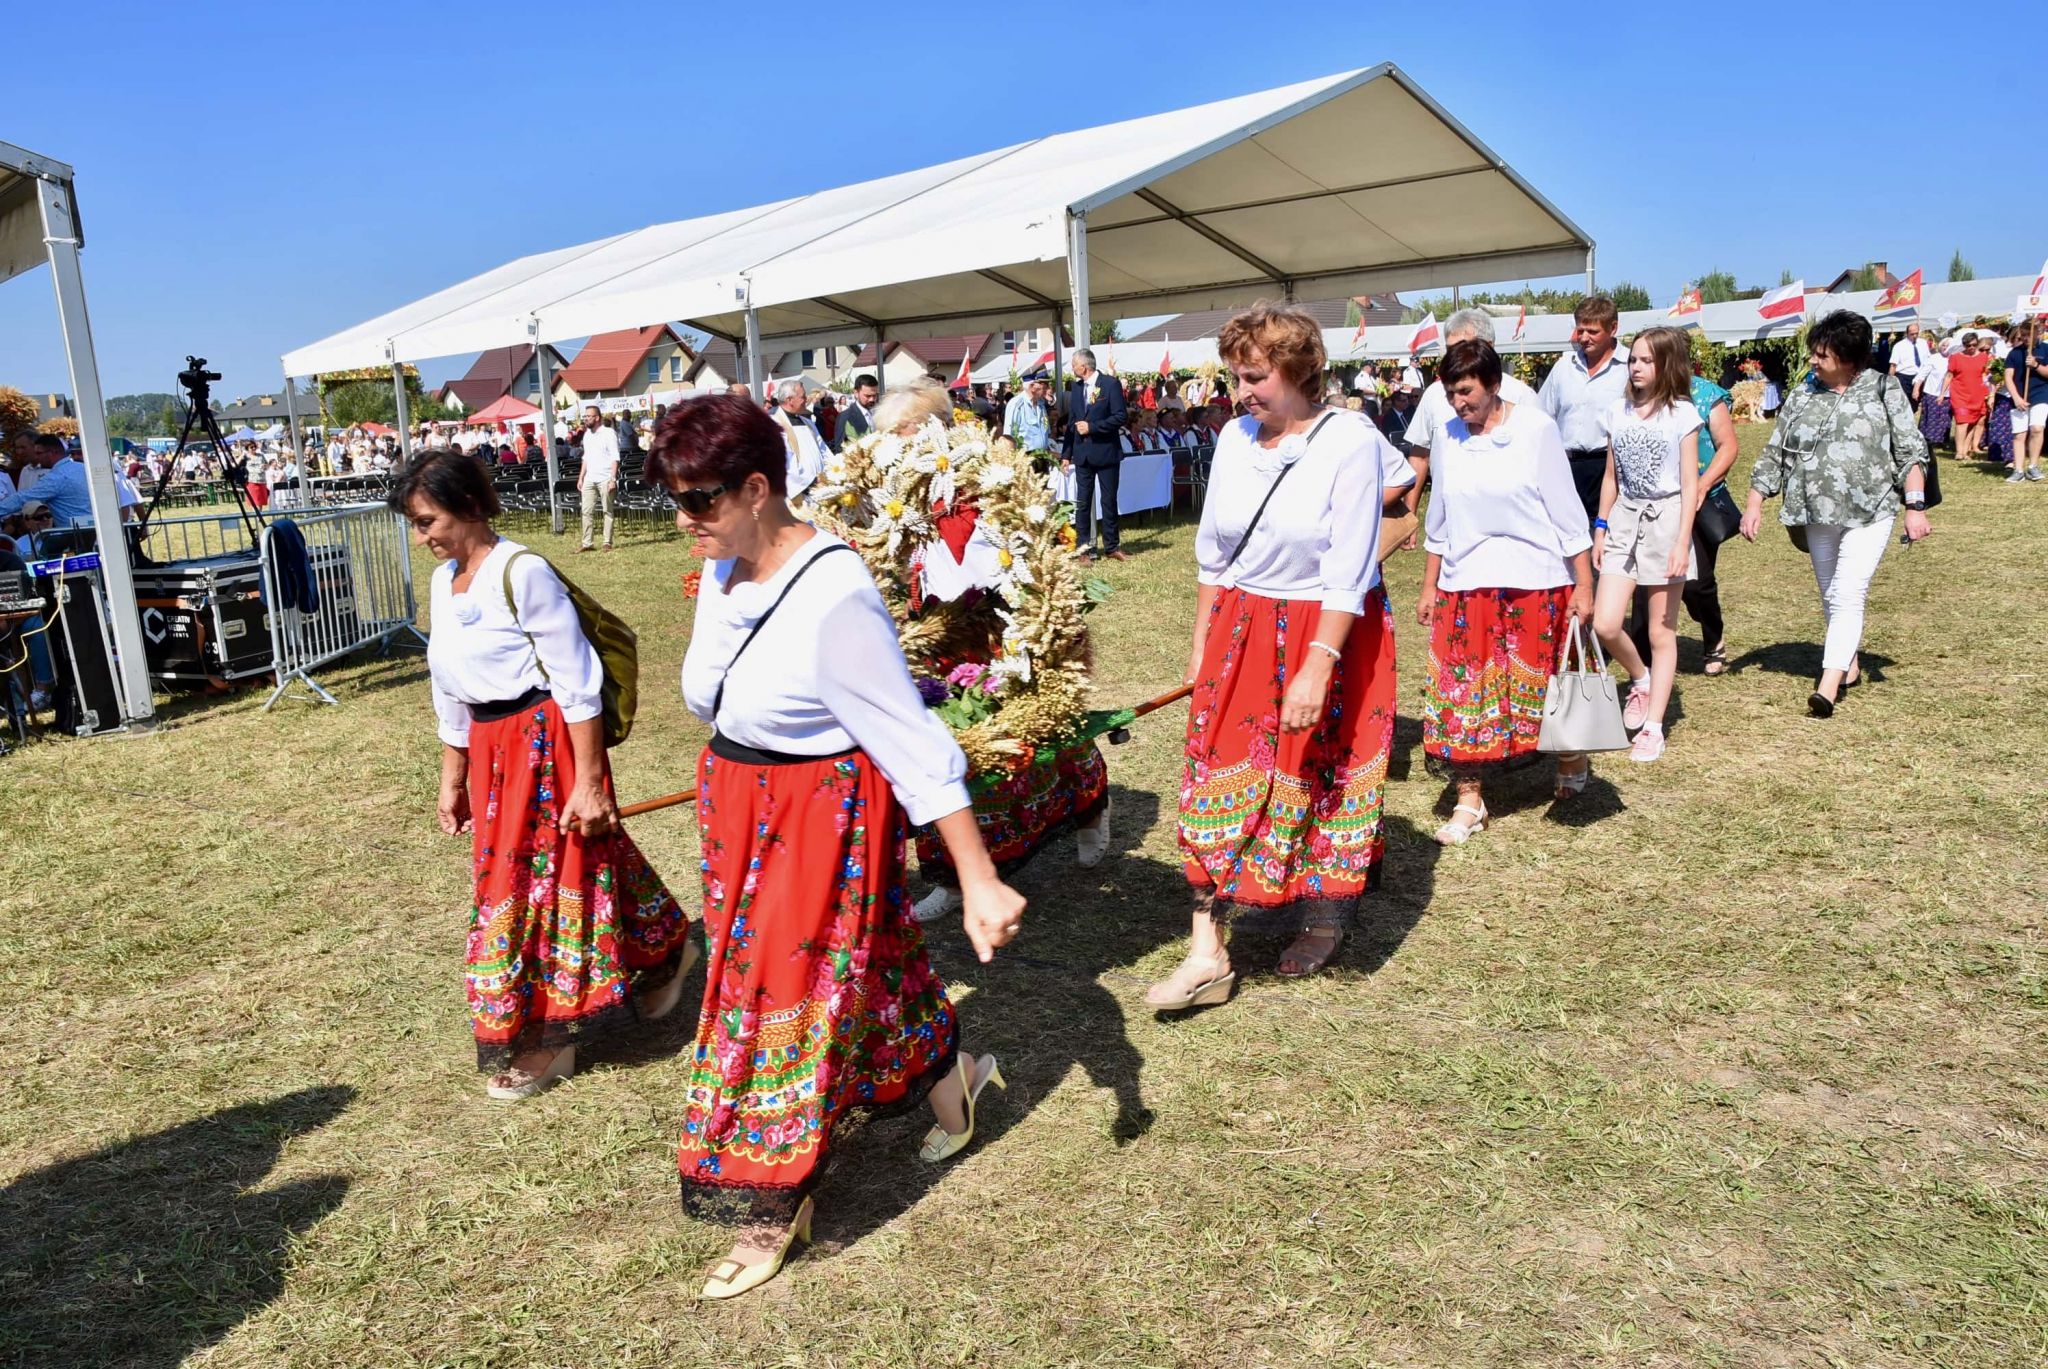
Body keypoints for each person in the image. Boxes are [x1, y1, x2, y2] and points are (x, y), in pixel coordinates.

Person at [652, 395, 1025, 1299]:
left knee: (776, 993)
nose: (682, 517)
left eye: (699, 498)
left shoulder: (832, 593)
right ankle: (954, 1085)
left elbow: (912, 743)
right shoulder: (723, 567)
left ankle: (773, 1200)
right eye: (672, 495)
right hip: (740, 804)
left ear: (756, 487)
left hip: (816, 815)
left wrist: (978, 877)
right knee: (874, 961)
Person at [391, 449, 693, 1101]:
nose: (424, 537)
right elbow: (449, 684)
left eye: (428, 520)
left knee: (556, 881)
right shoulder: (446, 581)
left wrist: (587, 781)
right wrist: (453, 773)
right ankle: (666, 943)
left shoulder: (520, 571)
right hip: (491, 748)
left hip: (545, 743)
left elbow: (577, 682)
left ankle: (553, 1038)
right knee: (538, 871)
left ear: (468, 505)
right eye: (416, 524)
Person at [1152, 303, 1396, 1006]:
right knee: (1211, 774)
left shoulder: (1348, 438)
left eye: (1254, 376)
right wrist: (1203, 646)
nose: (1241, 392)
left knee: (1318, 769)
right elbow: (1214, 554)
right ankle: (1208, 952)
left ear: (1298, 370)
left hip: (1329, 628)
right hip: (1241, 624)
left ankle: (1323, 915)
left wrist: (1318, 665)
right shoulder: (1232, 437)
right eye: (1235, 376)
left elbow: (1350, 567)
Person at [1418, 339, 1596, 836]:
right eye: (1451, 393)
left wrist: (1584, 584)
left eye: (1467, 392)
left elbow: (1567, 513)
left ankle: (1569, 759)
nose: (1458, 403)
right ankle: (1470, 801)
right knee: (1461, 691)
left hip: (1534, 582)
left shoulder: (1536, 429)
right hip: (1465, 584)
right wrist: (1430, 585)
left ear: (1495, 385)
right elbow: (1440, 518)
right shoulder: (1447, 437)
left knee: (1544, 689)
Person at [1740, 310, 1931, 717]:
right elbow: (1777, 450)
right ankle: (1850, 662)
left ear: (1850, 358)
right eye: (1813, 353)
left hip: (1872, 510)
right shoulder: (1803, 393)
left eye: (1822, 355)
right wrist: (1755, 500)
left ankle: (1828, 682)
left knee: (1848, 590)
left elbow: (1910, 450)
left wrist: (1914, 506)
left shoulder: (1884, 388)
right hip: (1816, 511)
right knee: (1832, 593)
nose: (1813, 361)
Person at [1589, 326, 1701, 764]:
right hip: (1623, 520)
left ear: (1666, 365)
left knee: (1660, 629)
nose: (1635, 367)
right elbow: (1611, 478)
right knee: (1605, 623)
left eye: (1646, 360)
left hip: (1667, 520)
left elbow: (1690, 485)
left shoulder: (1682, 415)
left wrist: (1681, 541)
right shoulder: (1617, 411)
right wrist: (1600, 530)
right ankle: (1641, 679)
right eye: (1633, 359)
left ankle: (1653, 727)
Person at [1629, 362, 1741, 677]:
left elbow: (1729, 446)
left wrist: (1703, 485)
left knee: (1697, 582)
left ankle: (1713, 635)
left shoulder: (1705, 395)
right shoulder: (1642, 396)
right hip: (1654, 502)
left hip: (1699, 501)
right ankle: (1645, 660)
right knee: (1646, 579)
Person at [1405, 309, 1540, 493]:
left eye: (1463, 347)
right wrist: (1410, 514)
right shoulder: (1433, 394)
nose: (1454, 356)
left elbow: (1542, 465)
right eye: (1450, 349)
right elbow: (1420, 456)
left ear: (1488, 347)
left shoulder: (1522, 396)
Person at [1537, 295, 1631, 530]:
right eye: (1580, 331)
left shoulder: (1630, 365)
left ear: (1613, 328)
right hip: (1566, 466)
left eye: (1592, 331)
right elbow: (1541, 415)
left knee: (1607, 540)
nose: (1584, 338)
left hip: (1610, 468)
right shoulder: (1563, 367)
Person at [1060, 348, 1129, 561]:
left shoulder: (1110, 384)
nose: (1072, 368)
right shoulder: (1076, 387)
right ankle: (1084, 549)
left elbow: (1120, 416)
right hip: (1083, 455)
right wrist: (1066, 454)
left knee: (1108, 500)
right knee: (1083, 502)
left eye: (1074, 364)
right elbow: (1072, 423)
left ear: (1085, 366)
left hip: (1106, 452)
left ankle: (1112, 546)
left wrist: (1093, 427)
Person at [0, 434, 93, 529]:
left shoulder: (56, 477)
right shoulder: (83, 468)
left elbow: (22, 498)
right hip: (95, 531)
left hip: (75, 536)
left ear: (53, 452)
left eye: (39, 453)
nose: (36, 457)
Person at [2001, 322, 2048, 482]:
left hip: (2040, 395)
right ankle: (2018, 469)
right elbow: (2008, 376)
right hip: (2019, 397)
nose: (2025, 338)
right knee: (2019, 434)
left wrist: (2035, 365)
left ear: (2037, 334)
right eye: (2024, 335)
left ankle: (2033, 466)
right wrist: (2016, 397)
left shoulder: (2045, 349)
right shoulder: (2014, 353)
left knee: (2037, 428)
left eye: (2029, 334)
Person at [769, 379, 829, 500]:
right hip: (800, 493)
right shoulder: (775, 426)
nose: (806, 399)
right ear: (789, 400)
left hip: (822, 490)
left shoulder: (808, 422)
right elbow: (782, 465)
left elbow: (824, 451)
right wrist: (808, 483)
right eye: (803, 396)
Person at [573, 405, 619, 552]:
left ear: (597, 418)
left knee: (607, 510)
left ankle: (607, 542)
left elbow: (615, 457)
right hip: (589, 478)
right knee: (586, 511)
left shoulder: (608, 433)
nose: (586, 419)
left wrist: (613, 479)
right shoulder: (587, 435)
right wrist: (581, 477)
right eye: (585, 416)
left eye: (589, 416)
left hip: (606, 477)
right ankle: (587, 543)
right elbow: (585, 458)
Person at [1945, 334, 1991, 461]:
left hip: (1977, 394)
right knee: (1962, 421)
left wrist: (1990, 392)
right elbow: (1949, 376)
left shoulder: (1983, 357)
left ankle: (1965, 451)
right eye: (1968, 345)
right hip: (1960, 394)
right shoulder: (1955, 358)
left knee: (1972, 422)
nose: (1971, 347)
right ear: (1964, 345)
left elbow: (1986, 375)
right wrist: (1942, 393)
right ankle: (1959, 451)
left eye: (1974, 345)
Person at [1002, 373, 1053, 458]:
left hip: (1043, 458)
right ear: (1032, 386)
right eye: (1044, 385)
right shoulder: (1016, 404)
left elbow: (1046, 433)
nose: (1047, 388)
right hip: (1025, 460)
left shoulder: (1041, 404)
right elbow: (1008, 438)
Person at [1918, 334, 1954, 451]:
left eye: (1948, 346)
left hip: (1949, 393)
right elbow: (1922, 374)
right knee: (1931, 416)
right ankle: (1929, 439)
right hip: (1932, 391)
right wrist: (1916, 387)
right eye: (1943, 345)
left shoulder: (1954, 358)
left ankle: (1943, 440)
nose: (1945, 347)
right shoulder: (1934, 358)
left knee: (1945, 418)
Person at [1888, 321, 1933, 412]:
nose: (1914, 336)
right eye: (1912, 334)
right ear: (1907, 333)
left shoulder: (1923, 343)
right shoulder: (1899, 346)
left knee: (1915, 403)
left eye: (1916, 333)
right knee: (1903, 402)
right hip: (1903, 377)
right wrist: (1889, 381)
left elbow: (1928, 360)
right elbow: (1893, 365)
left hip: (1918, 376)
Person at [838, 374, 879, 449]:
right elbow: (840, 448)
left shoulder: (876, 413)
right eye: (868, 396)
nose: (872, 399)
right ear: (856, 393)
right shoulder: (846, 417)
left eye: (875, 395)